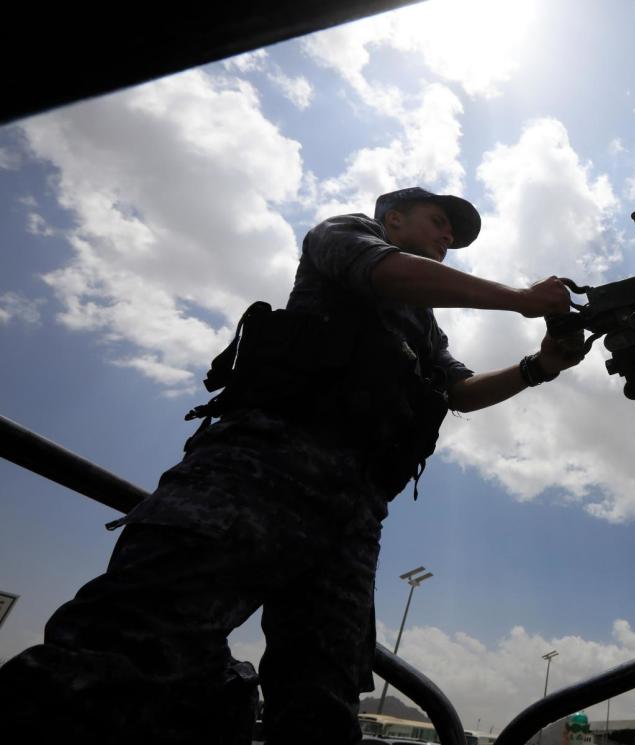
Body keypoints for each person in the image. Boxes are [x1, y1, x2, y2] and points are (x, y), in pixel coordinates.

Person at [0, 187, 585, 744]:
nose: (447, 237)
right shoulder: (346, 235)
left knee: (321, 701)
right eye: (439, 221)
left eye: (453, 236)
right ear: (394, 217)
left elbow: (459, 391)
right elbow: (388, 272)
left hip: (352, 515)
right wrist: (522, 299)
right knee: (132, 644)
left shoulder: (425, 326)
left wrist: (542, 364)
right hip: (260, 469)